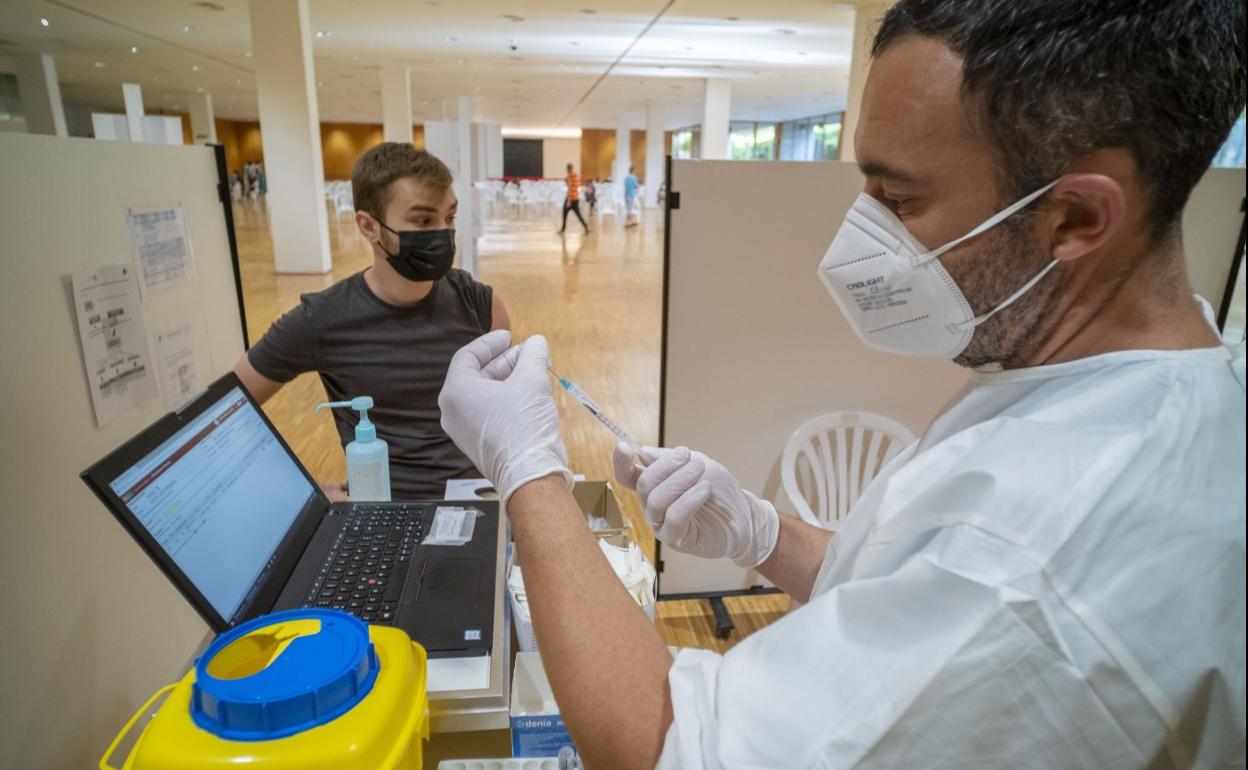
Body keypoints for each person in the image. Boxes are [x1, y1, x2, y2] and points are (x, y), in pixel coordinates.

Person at [435, 0, 1246, 767]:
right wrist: (761, 534)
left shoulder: (1042, 556)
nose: (860, 233)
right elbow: (911, 587)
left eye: (897, 198)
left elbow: (668, 750)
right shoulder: (1126, 383)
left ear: (1075, 218)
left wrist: (528, 470)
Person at [233, 143, 509, 500]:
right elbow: (221, 416)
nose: (443, 233)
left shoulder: (481, 305)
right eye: (423, 220)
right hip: (384, 515)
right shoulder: (322, 318)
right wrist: (297, 492)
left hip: (478, 504)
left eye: (449, 218)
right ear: (368, 226)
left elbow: (508, 420)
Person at [558, 162, 589, 235]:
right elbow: (576, 185)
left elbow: (570, 188)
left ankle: (563, 229)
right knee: (578, 214)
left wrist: (569, 200)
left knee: (564, 213)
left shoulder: (570, 176)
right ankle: (585, 226)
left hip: (570, 198)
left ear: (567, 169)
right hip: (576, 198)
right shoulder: (576, 175)